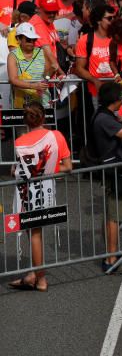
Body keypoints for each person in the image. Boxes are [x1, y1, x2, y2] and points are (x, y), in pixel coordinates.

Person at [6, 101, 72, 292]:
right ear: (43, 117)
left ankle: (40, 279)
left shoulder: (19, 142)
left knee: (33, 233)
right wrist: (48, 170)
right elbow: (68, 167)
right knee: (35, 233)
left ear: (26, 120)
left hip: (25, 192)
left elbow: (15, 171)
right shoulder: (56, 135)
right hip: (45, 189)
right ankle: (35, 274)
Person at [90, 82, 122, 273]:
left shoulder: (105, 114)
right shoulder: (104, 118)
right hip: (114, 171)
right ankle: (111, 259)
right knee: (114, 216)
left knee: (113, 214)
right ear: (116, 100)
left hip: (114, 169)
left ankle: (112, 255)